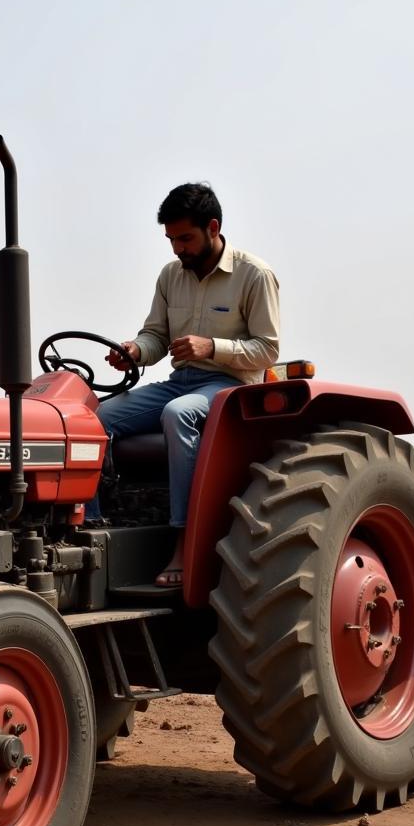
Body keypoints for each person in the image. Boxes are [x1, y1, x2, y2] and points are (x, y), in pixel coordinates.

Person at [96, 182, 279, 587]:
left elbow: (266, 350)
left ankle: (184, 543)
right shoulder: (170, 276)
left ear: (213, 228)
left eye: (185, 238)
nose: (177, 248)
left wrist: (212, 346)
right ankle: (92, 527)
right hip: (181, 380)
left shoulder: (254, 275)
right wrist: (135, 352)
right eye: (171, 240)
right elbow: (156, 336)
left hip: (231, 386)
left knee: (178, 414)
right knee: (95, 418)